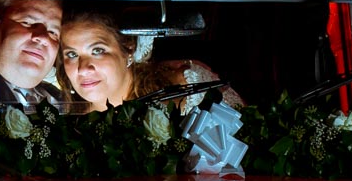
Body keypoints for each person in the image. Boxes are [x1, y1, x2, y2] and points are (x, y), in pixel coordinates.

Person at [59, 10, 241, 114]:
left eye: (98, 51)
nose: (83, 69)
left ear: (128, 48)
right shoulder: (65, 121)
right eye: (72, 54)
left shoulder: (184, 90)